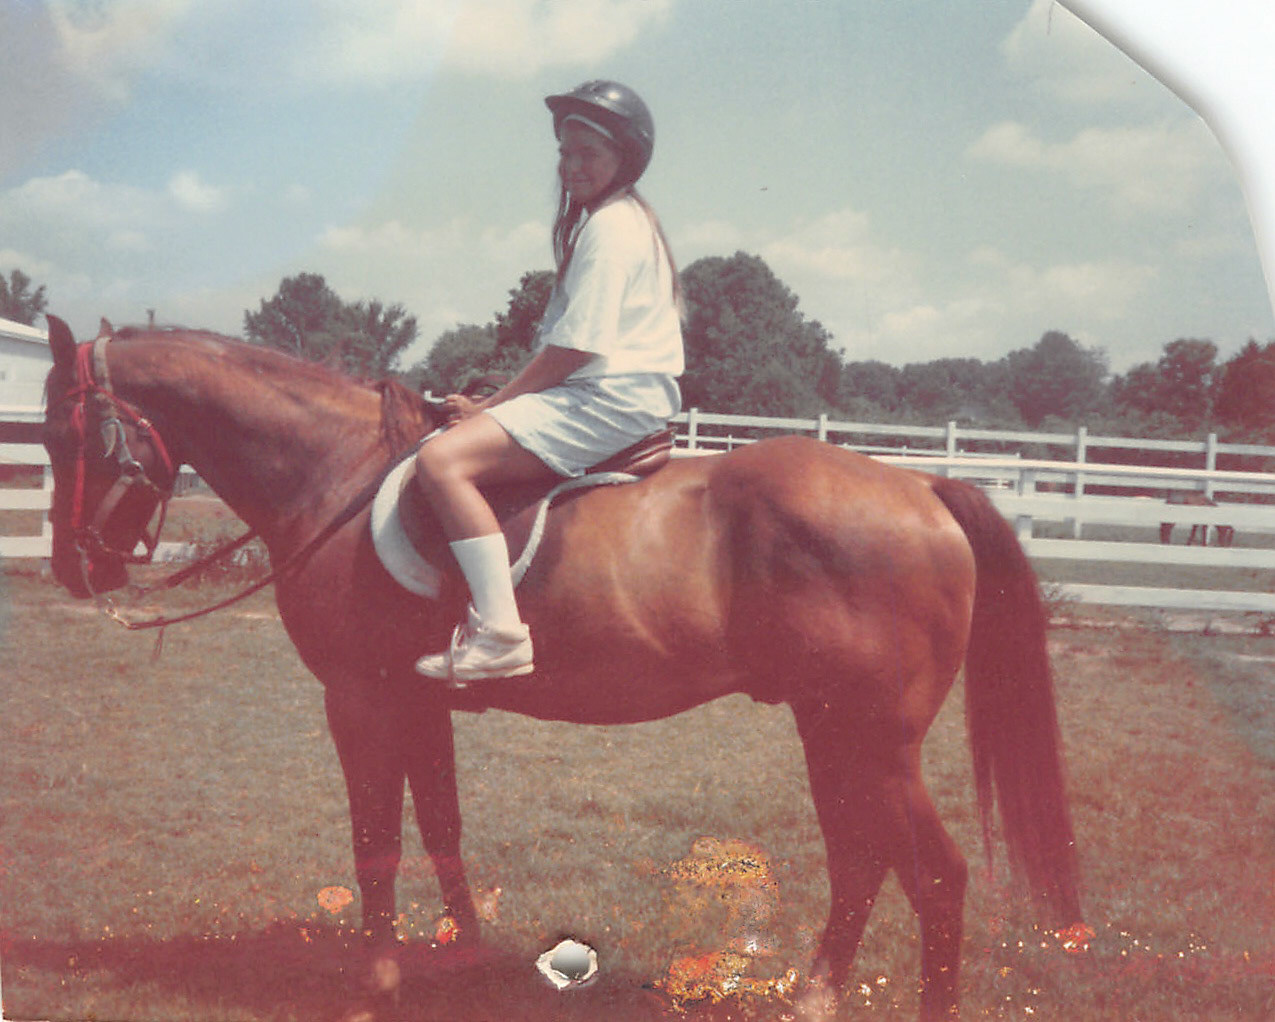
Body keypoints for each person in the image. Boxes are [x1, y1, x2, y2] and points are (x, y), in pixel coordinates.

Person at [413, 80, 685, 683]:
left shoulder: (611, 228)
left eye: (589, 153)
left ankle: (500, 634)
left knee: (441, 462)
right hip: (613, 391)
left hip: (608, 397)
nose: (572, 166)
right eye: (565, 152)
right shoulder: (619, 220)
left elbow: (576, 347)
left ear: (624, 159)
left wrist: (492, 408)